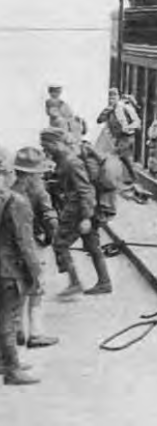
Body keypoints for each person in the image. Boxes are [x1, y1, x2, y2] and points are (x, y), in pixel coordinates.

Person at [41, 128, 112, 297]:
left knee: (59, 243)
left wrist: (87, 217)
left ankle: (75, 283)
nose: (45, 150)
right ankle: (105, 282)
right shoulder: (64, 160)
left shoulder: (72, 162)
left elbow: (85, 190)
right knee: (93, 245)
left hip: (78, 210)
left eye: (47, 145)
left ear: (57, 143)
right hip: (82, 208)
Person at [0, 146, 42, 385]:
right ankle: (12, 370)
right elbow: (25, 243)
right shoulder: (18, 202)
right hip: (9, 269)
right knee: (8, 318)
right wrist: (36, 274)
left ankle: (4, 361)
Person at [11, 148, 59, 349]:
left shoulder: (10, 190)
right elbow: (50, 220)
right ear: (32, 174)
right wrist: (51, 238)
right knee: (37, 290)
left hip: (13, 247)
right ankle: (36, 333)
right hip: (35, 246)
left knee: (20, 289)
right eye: (39, 172)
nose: (42, 175)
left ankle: (18, 331)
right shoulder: (40, 192)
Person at [97, 88, 140, 187]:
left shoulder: (125, 108)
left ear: (118, 97)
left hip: (127, 136)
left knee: (119, 155)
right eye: (110, 98)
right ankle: (130, 178)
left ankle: (131, 179)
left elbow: (137, 122)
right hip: (118, 138)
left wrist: (127, 127)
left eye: (114, 98)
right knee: (124, 158)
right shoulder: (109, 109)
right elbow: (99, 120)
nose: (112, 100)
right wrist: (106, 111)